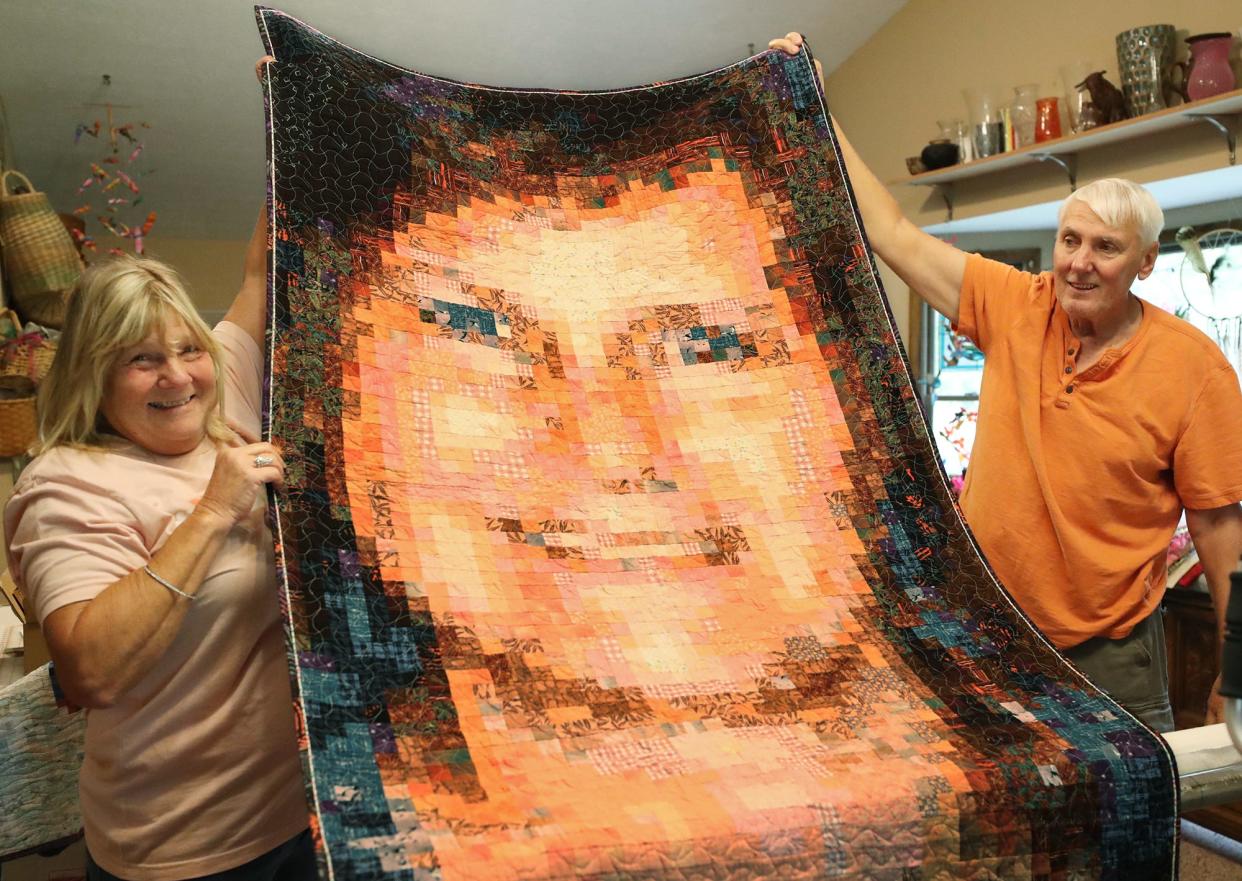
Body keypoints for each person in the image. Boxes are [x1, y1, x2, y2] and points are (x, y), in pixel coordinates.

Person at [770, 33, 1242, 733]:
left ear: (1145, 264)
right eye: (1070, 239)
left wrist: (1236, 678)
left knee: (1119, 835)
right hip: (990, 638)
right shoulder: (1016, 304)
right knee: (1002, 825)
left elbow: (1220, 527)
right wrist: (812, 96)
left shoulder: (1195, 368)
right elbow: (892, 232)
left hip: (1110, 656)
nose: (1079, 263)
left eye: (1106, 248)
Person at [2, 198, 313, 879]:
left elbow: (257, 281)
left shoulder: (219, 398)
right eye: (143, 359)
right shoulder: (67, 483)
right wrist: (211, 512)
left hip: (309, 811)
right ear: (95, 374)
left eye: (188, 348)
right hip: (183, 845)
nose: (177, 376)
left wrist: (308, 126)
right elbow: (88, 672)